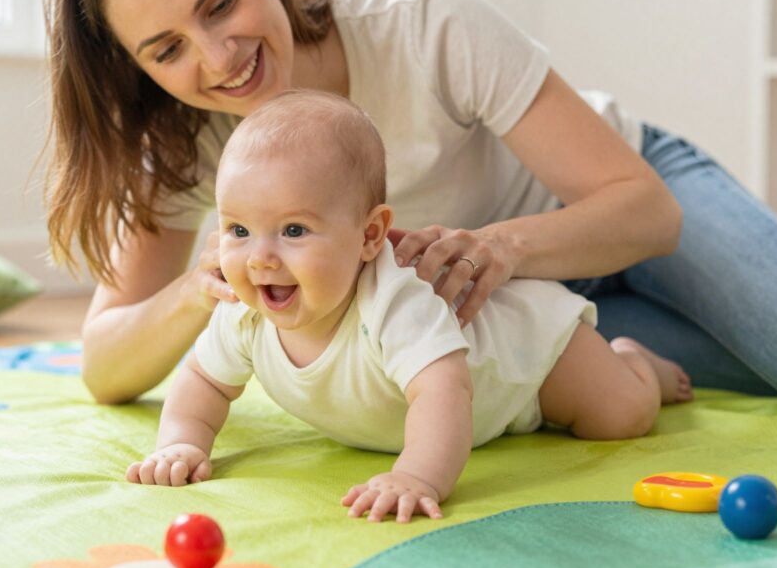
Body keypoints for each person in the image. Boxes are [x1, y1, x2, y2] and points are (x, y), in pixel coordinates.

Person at [44, 0, 777, 408]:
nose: (218, 57)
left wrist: (503, 246)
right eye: (167, 49)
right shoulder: (181, 138)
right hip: (520, 296)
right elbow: (105, 361)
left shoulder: (422, 20)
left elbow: (647, 209)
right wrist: (199, 289)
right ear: (138, 66)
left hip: (608, 200)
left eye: (221, 2)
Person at [126, 91, 692, 522]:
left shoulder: (391, 302)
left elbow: (442, 391)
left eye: (294, 230)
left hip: (531, 361)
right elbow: (203, 380)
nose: (261, 258)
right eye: (239, 230)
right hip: (490, 407)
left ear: (370, 236)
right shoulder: (243, 310)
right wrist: (181, 441)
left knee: (621, 416)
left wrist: (416, 475)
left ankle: (639, 362)